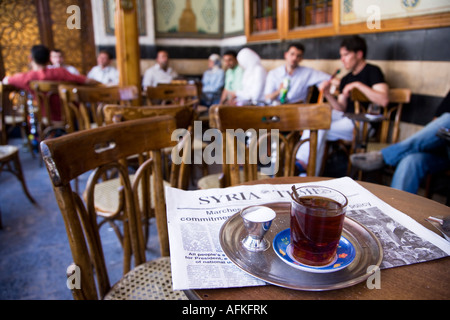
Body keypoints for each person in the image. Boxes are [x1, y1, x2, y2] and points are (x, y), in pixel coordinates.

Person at [296, 35, 389, 175]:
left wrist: (357, 85)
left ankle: (304, 170)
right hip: (346, 119)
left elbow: (384, 100)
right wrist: (327, 94)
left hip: (363, 125)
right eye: (341, 56)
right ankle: (304, 169)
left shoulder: (373, 71)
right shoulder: (346, 78)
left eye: (346, 55)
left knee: (320, 128)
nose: (342, 59)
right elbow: (341, 107)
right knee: (318, 117)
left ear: (359, 54)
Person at [351, 91, 450, 194]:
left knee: (449, 118)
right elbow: (437, 123)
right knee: (410, 160)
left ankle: (384, 156)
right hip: (440, 151)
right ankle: (396, 205)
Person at [2, 45, 98, 121]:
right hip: (71, 117)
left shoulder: (28, 77)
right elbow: (87, 81)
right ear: (49, 59)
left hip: (46, 118)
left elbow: (6, 80)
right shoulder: (61, 72)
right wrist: (102, 84)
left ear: (30, 58)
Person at [264, 43, 330, 104]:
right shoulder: (273, 74)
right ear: (286, 55)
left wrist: (330, 83)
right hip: (278, 110)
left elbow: (329, 78)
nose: (294, 58)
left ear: (301, 58)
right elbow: (267, 99)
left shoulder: (306, 73)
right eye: (292, 54)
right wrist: (279, 91)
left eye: (298, 56)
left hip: (299, 111)